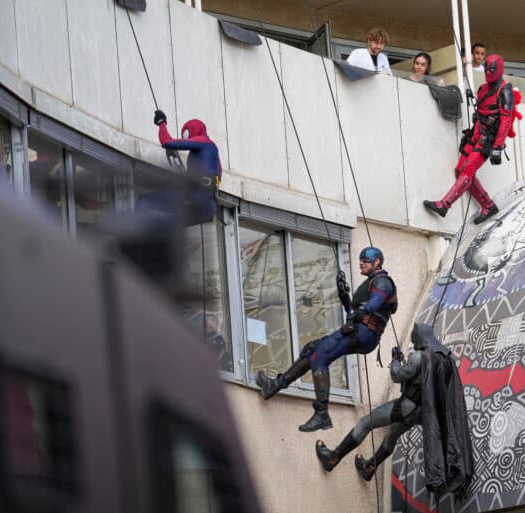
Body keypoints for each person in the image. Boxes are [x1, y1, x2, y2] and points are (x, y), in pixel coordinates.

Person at [315, 324, 474, 496]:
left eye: (414, 338)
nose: (413, 342)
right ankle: (370, 468)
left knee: (365, 423)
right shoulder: (444, 358)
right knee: (391, 436)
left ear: (419, 337)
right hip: (422, 415)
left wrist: (395, 361)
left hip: (406, 407)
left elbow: (397, 376)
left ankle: (333, 458)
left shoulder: (418, 357)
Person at [256, 247, 398, 432]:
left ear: (377, 262)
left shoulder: (382, 281)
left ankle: (321, 413)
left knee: (319, 355)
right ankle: (276, 385)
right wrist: (344, 296)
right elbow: (355, 312)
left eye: (365, 259)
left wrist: (361, 311)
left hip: (364, 332)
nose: (361, 262)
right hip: (361, 331)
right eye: (360, 259)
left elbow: (374, 304)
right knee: (312, 349)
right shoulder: (372, 282)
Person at [424, 54, 521, 225]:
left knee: (467, 171)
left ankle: (444, 205)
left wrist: (497, 146)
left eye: (491, 69)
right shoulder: (483, 89)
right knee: (460, 170)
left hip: (488, 138)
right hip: (476, 133)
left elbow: (505, 120)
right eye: (486, 68)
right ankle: (488, 205)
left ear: (498, 69)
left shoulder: (505, 91)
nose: (488, 72)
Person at [148, 110, 222, 225]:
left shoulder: (203, 141)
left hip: (198, 195)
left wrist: (162, 123)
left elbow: (166, 141)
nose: (187, 140)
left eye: (187, 136)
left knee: (147, 201)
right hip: (208, 204)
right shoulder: (211, 149)